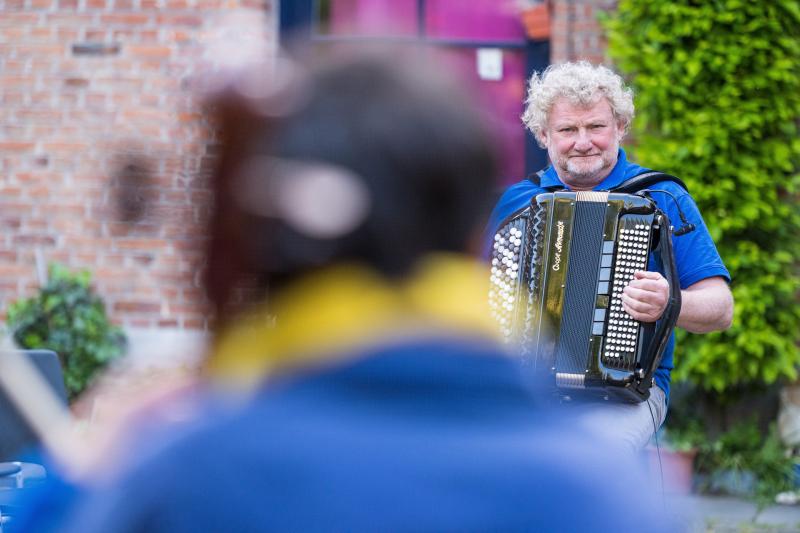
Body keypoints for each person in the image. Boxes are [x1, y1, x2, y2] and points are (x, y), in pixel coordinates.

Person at [14, 53, 676, 532]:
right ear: (478, 229)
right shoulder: (607, 497)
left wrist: (87, 468)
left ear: (271, 230)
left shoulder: (186, 481)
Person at [486, 61, 734, 451]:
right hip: (523, 389)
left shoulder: (662, 198)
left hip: (625, 393)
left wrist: (669, 303)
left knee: (586, 457)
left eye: (596, 127)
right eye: (568, 129)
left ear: (620, 127)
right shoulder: (516, 203)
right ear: (542, 134)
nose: (583, 142)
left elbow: (721, 309)